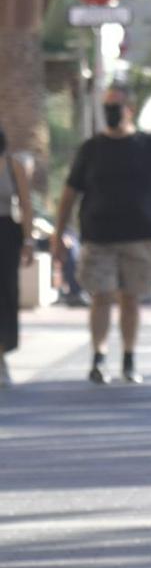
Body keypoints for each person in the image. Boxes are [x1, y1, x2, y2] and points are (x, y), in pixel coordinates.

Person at [52, 87, 151, 383]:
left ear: (130, 108)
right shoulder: (91, 148)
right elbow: (69, 193)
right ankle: (98, 359)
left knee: (130, 299)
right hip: (98, 236)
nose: (111, 111)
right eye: (106, 105)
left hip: (140, 236)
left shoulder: (149, 145)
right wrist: (58, 234)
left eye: (116, 105)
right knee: (101, 296)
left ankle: (128, 358)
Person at [0, 127, 33, 387]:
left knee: (7, 294)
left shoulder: (13, 165)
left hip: (6, 233)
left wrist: (29, 240)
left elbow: (25, 204)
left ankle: (2, 357)